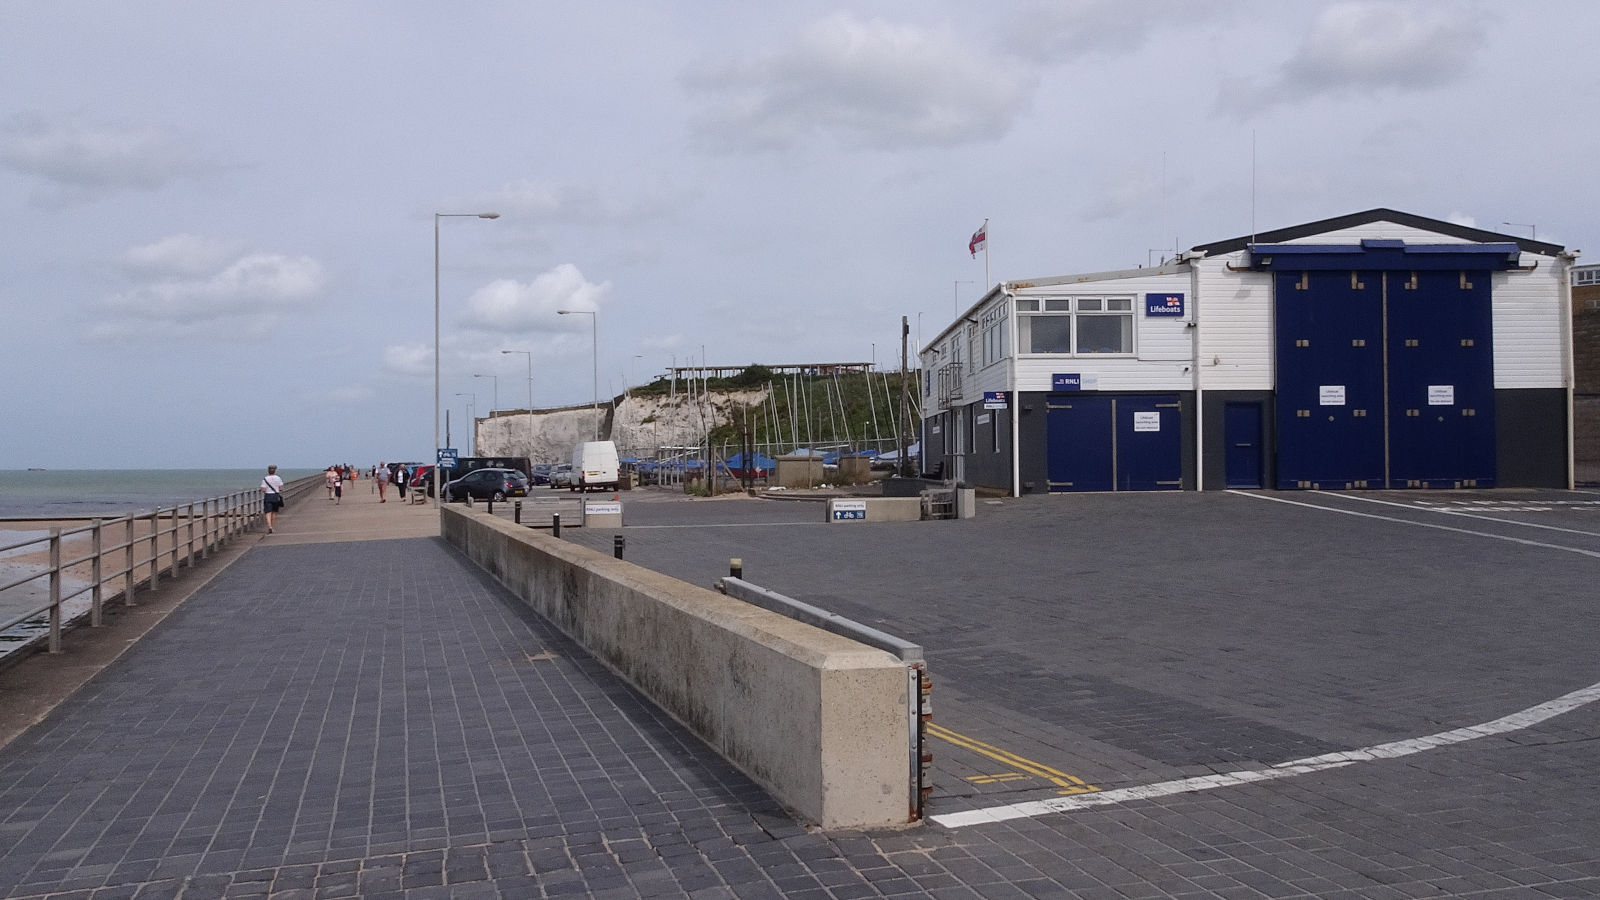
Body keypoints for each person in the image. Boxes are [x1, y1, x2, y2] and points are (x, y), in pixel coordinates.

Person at [261, 464, 285, 533]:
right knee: (274, 512)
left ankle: (269, 526)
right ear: (275, 471)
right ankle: (272, 526)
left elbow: (263, 489)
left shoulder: (265, 479)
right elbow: (281, 488)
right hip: (275, 496)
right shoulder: (278, 478)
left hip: (268, 496)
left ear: (268, 471)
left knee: (268, 512)